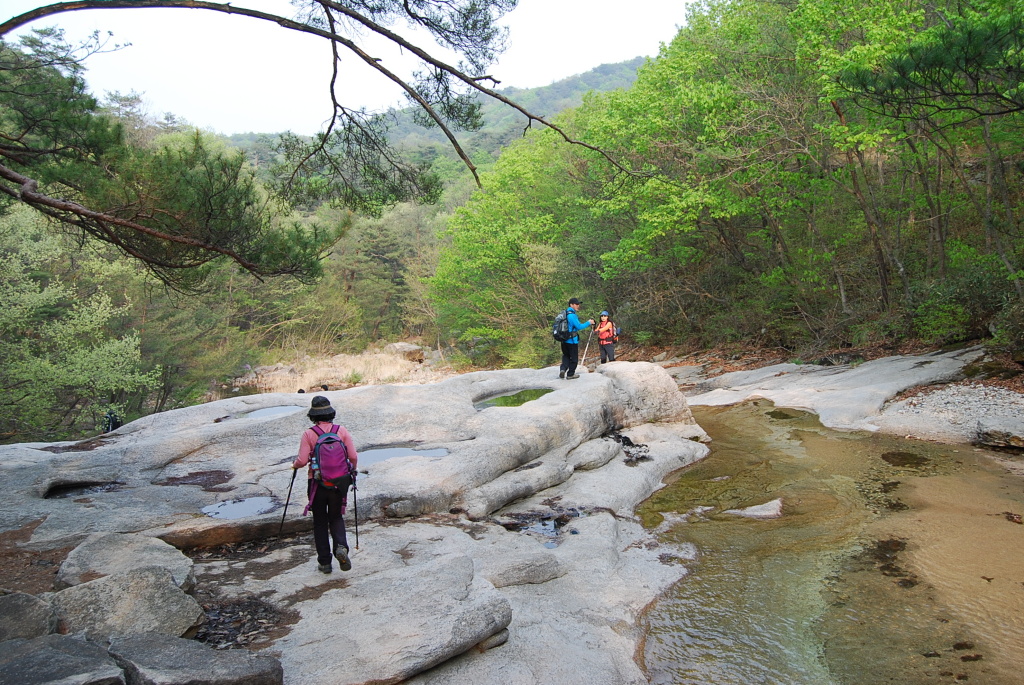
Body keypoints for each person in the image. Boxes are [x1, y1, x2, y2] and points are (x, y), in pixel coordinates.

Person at [292, 396, 358, 574]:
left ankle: (325, 562)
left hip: (317, 483)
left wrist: (295, 465)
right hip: (339, 482)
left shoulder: (309, 434)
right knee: (336, 517)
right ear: (331, 413)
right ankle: (341, 547)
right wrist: (353, 471)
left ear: (313, 415)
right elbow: (353, 456)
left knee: (320, 521)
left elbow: (302, 460)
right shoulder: (341, 431)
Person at [559, 297, 594, 380]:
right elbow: (579, 326)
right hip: (572, 341)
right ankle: (570, 374)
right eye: (576, 304)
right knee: (574, 358)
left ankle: (563, 369)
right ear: (571, 305)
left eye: (578, 304)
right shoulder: (572, 315)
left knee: (566, 356)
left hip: (564, 340)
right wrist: (589, 322)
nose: (578, 306)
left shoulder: (564, 313)